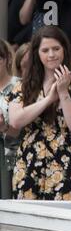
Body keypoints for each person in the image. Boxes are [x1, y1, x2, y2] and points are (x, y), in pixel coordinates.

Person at [7, 25, 71, 200]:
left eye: (56, 48)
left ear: (64, 49)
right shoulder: (23, 85)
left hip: (70, 164)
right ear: (37, 54)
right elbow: (16, 121)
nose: (51, 55)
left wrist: (63, 93)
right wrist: (48, 99)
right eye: (45, 50)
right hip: (29, 164)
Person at [0, 39, 20, 199]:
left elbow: (25, 125)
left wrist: (5, 127)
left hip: (12, 157)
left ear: (7, 58)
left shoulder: (20, 86)